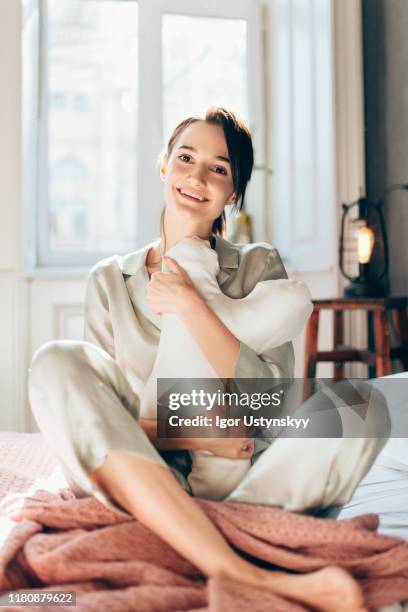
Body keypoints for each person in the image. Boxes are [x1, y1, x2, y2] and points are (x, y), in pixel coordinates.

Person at [28, 107, 376, 611]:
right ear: (163, 166)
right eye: (186, 157)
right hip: (145, 481)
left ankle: (185, 546)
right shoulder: (110, 280)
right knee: (55, 363)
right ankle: (238, 567)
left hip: (244, 490)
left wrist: (192, 304)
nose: (197, 176)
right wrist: (194, 434)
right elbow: (96, 423)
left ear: (234, 192)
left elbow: (271, 409)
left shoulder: (258, 267)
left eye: (219, 168)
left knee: (360, 406)